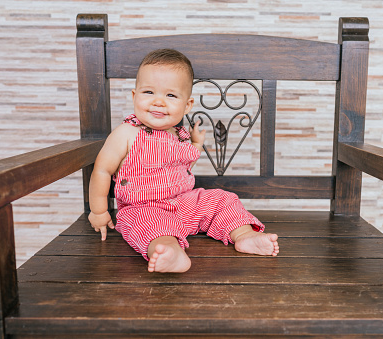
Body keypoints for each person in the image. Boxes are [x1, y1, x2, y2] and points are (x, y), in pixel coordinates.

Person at [88, 48, 279, 273]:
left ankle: (244, 235)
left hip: (184, 204)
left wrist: (196, 144)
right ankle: (169, 251)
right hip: (143, 207)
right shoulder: (126, 133)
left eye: (170, 95)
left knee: (220, 199)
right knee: (150, 226)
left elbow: (184, 166)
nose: (158, 102)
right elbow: (102, 170)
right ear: (134, 96)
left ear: (186, 106)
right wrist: (99, 211)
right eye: (149, 92)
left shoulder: (178, 135)